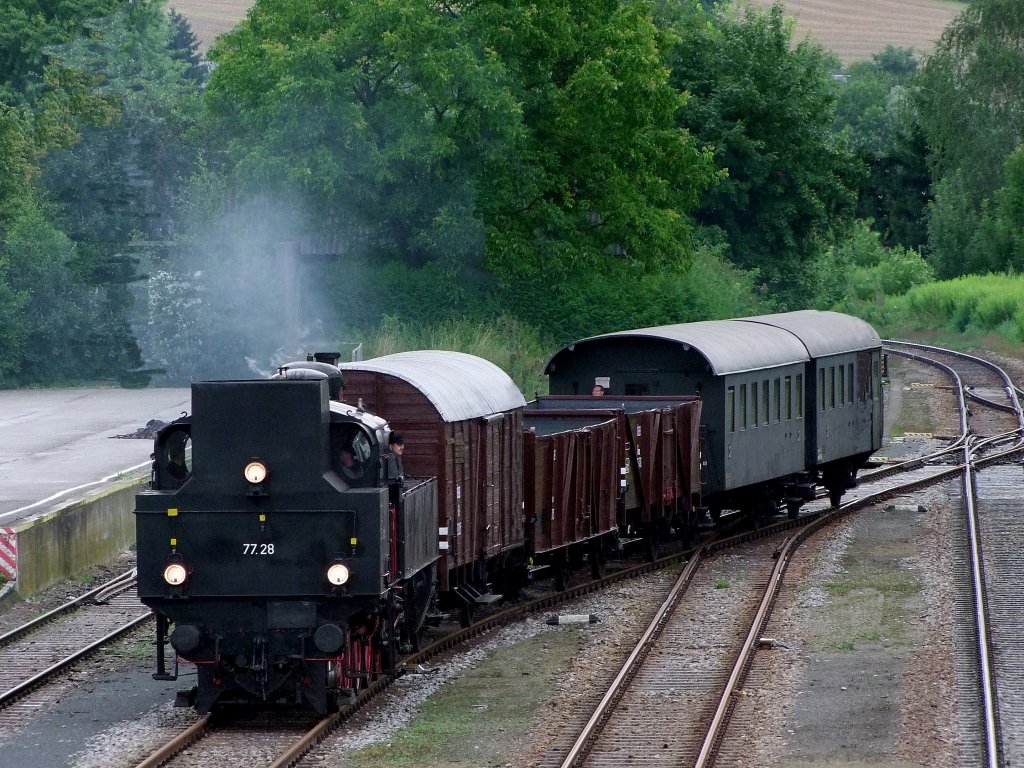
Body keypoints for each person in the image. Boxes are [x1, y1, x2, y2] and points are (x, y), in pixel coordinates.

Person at [385, 431, 405, 506]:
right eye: (399, 444)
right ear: (391, 446)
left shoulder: (397, 458)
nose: (402, 447)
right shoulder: (389, 460)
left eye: (402, 444)